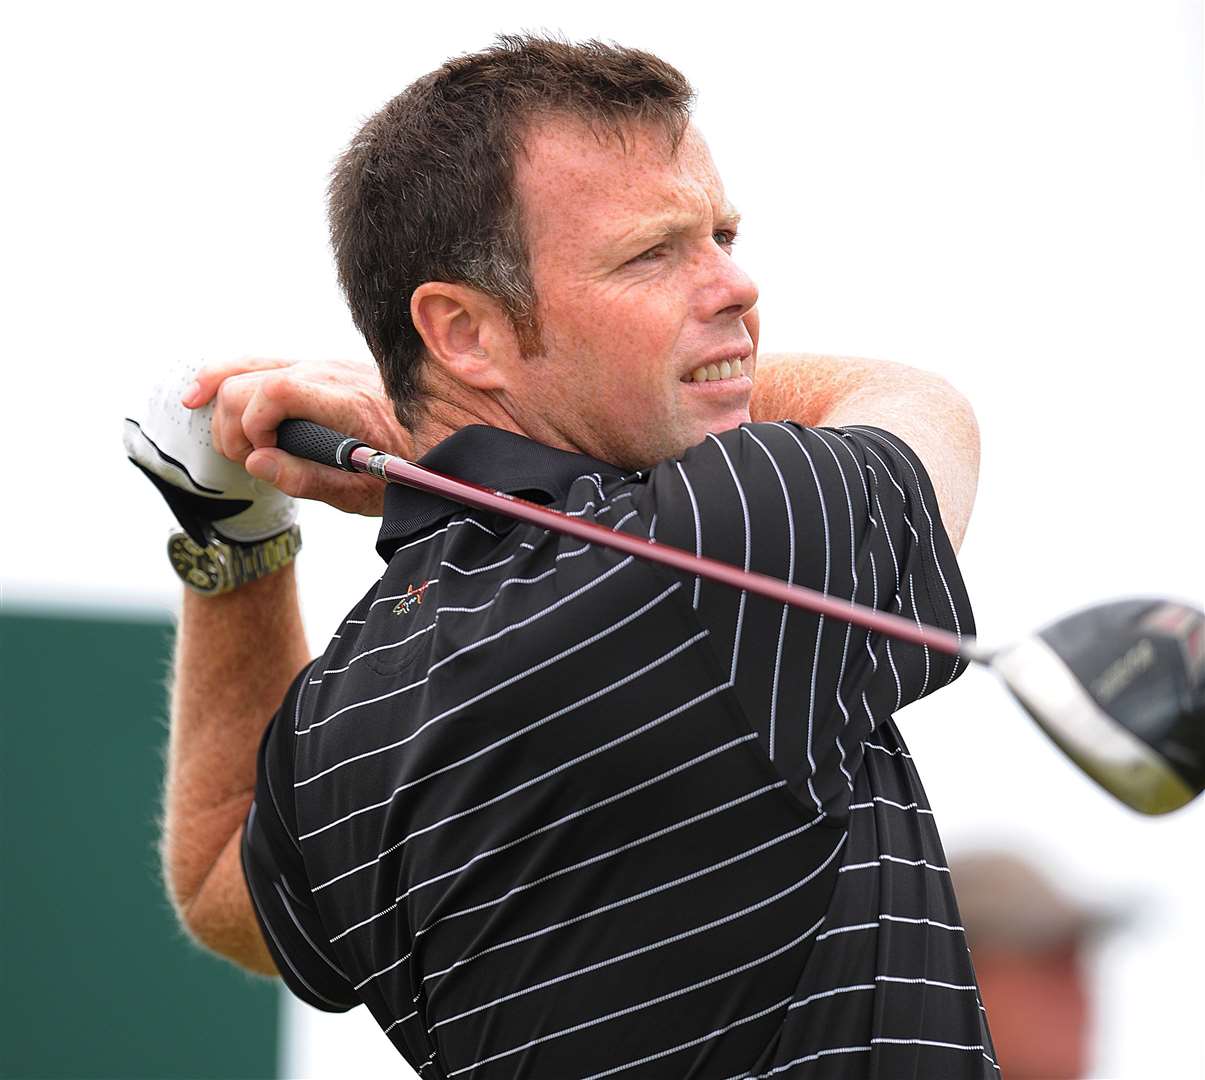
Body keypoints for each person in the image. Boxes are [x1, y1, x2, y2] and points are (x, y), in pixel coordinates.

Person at [127, 33, 993, 1078]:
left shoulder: (351, 705)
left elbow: (222, 879)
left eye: (720, 232)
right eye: (651, 253)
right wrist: (419, 437)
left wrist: (236, 531)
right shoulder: (718, 546)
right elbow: (911, 403)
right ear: (462, 334)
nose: (735, 285)